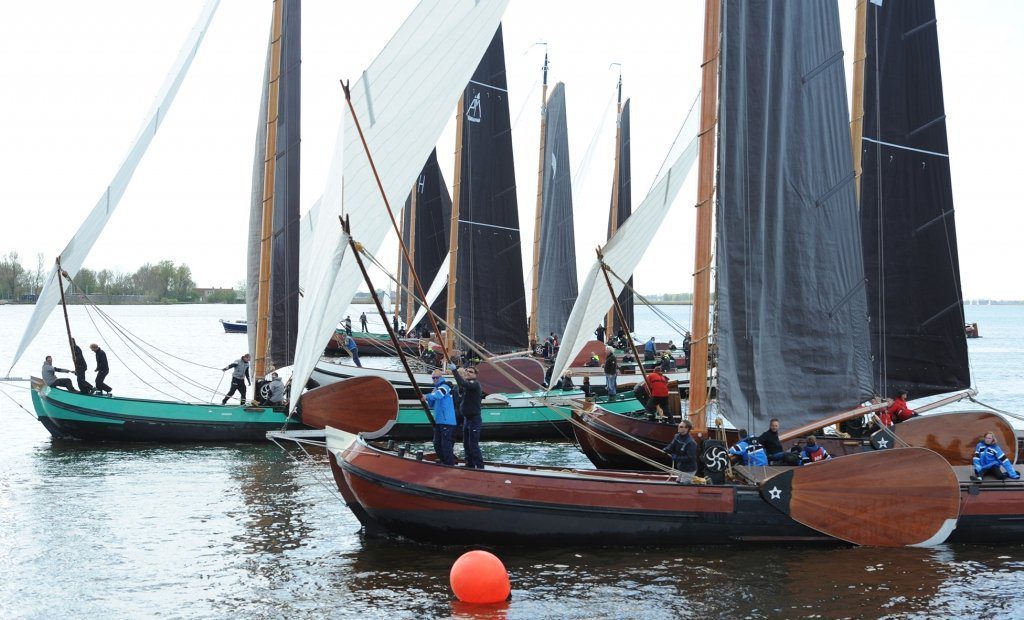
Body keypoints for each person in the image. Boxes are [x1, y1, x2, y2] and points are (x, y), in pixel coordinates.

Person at [450, 363, 484, 469]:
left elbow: (462, 383)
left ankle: (480, 466)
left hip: (474, 419)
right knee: (466, 444)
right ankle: (470, 464)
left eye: (471, 372)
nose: (468, 373)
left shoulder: (474, 384)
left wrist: (454, 371)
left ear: (475, 375)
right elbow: (461, 386)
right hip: (467, 419)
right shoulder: (467, 385)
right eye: (467, 371)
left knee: (473, 445)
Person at [424, 369, 457, 466]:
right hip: (439, 421)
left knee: (446, 444)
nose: (434, 379)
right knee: (436, 443)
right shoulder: (435, 390)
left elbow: (439, 395)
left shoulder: (446, 386)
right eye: (433, 378)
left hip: (447, 421)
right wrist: (428, 399)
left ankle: (449, 464)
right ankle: (444, 461)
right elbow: (431, 404)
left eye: (436, 377)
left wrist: (427, 396)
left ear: (441, 377)